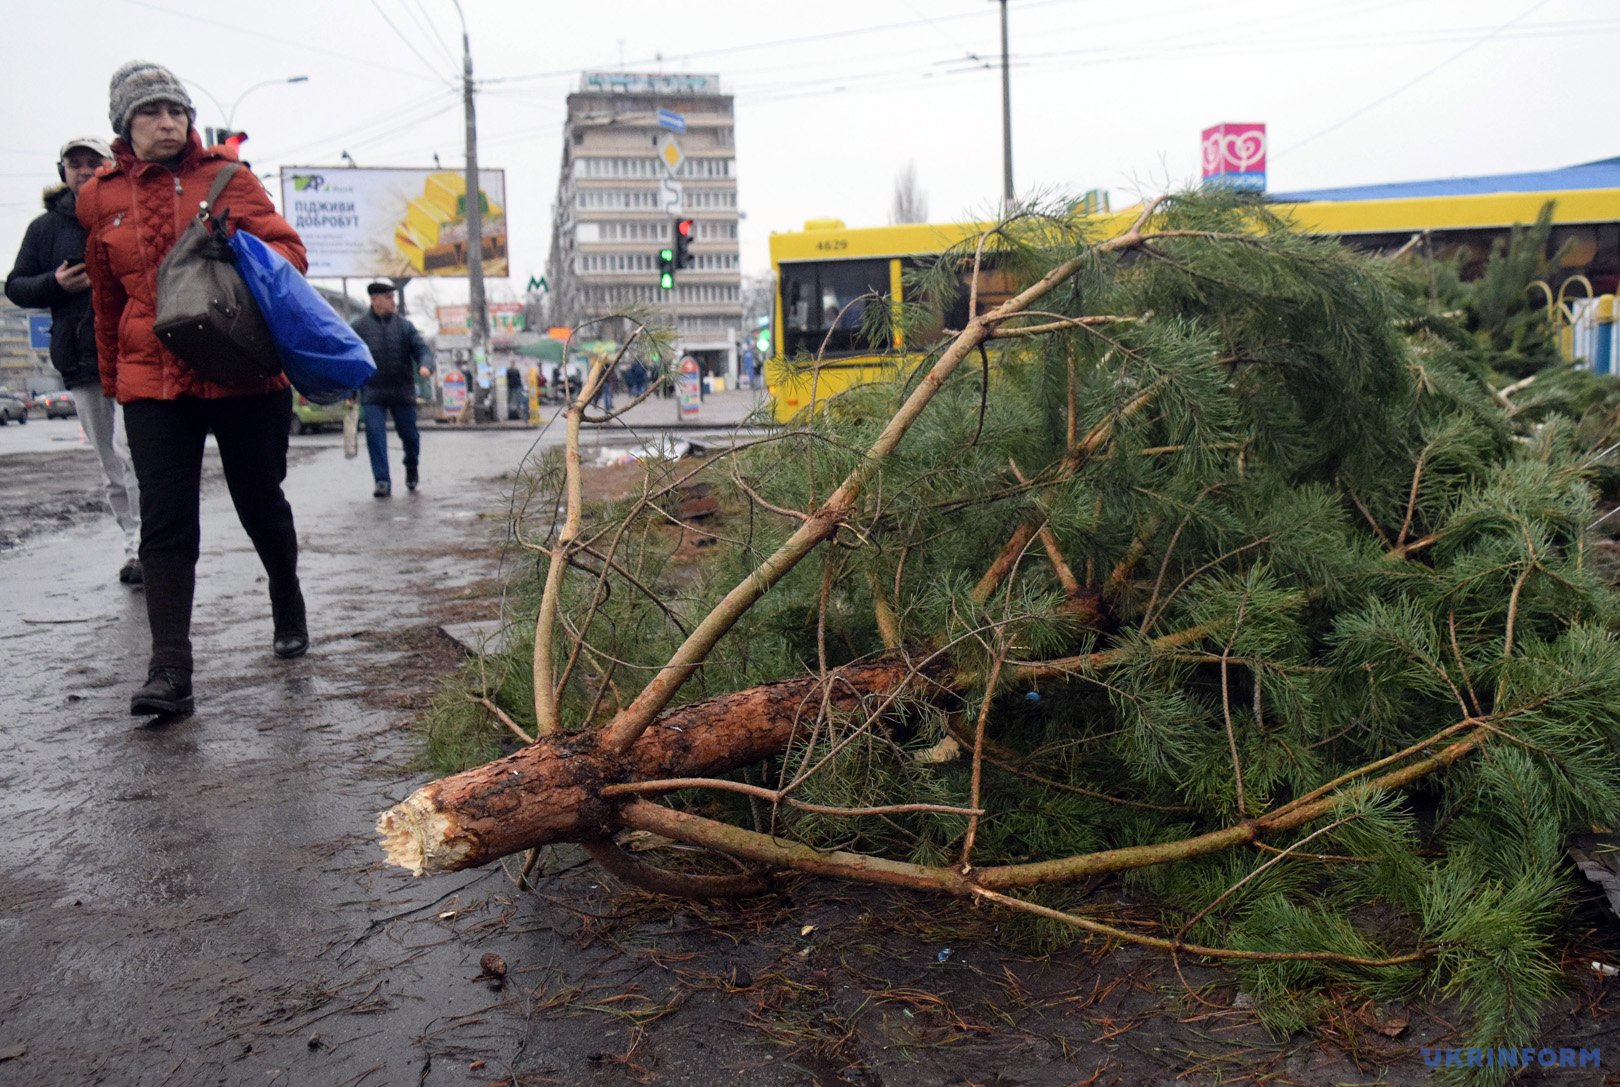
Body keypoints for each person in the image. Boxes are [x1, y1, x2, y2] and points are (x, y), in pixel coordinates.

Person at [79, 61, 310, 717]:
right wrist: (110, 378)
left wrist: (235, 244)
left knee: (260, 500)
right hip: (151, 382)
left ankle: (286, 597)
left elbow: (291, 257)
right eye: (150, 112)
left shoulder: (229, 179)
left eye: (174, 111)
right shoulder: (98, 197)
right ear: (125, 124)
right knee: (167, 521)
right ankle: (169, 668)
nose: (166, 122)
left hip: (241, 371)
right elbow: (104, 300)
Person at [6, 135, 143, 585]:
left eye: (93, 162)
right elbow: (16, 285)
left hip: (134, 351)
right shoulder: (46, 228)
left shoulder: (129, 208)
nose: (83, 170)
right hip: (81, 357)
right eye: (74, 163)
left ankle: (148, 545)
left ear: (110, 166)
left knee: (133, 454)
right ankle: (132, 547)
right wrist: (55, 282)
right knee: (110, 462)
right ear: (63, 171)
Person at [351, 282, 432, 496]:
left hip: (402, 391)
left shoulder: (405, 327)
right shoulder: (359, 328)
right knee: (375, 436)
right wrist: (350, 392)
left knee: (410, 436)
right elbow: (351, 360)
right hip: (372, 392)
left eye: (393, 297)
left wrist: (425, 365)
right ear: (374, 299)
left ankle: (411, 464)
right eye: (388, 297)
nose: (392, 301)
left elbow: (422, 348)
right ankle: (382, 481)